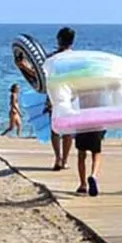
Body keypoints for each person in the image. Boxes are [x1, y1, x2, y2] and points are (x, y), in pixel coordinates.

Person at [49, 27, 77, 170]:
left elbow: (44, 78)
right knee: (68, 130)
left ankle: (58, 158)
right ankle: (64, 160)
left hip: (55, 96)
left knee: (55, 129)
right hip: (71, 97)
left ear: (59, 40)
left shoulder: (52, 58)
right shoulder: (76, 58)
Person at [74, 130, 104, 196]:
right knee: (96, 153)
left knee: (81, 156)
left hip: (81, 128)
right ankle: (93, 175)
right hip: (96, 128)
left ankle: (83, 184)